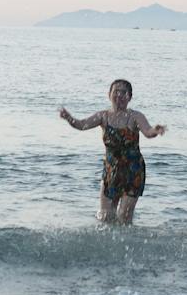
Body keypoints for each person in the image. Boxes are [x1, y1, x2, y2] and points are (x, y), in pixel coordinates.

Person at [59, 79, 165, 224]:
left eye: (124, 92)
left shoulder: (135, 116)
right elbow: (82, 125)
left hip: (133, 171)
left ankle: (127, 243)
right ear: (109, 94)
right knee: (105, 217)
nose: (119, 95)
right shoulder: (103, 116)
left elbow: (147, 131)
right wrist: (69, 118)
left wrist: (156, 131)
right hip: (111, 170)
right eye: (116, 91)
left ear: (130, 97)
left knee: (124, 217)